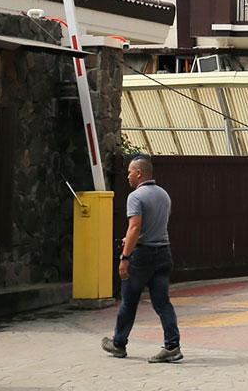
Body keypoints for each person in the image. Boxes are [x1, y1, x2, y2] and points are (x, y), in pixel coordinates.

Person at [102, 155, 183, 363]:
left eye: (129, 172)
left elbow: (135, 228)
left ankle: (119, 344)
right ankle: (172, 346)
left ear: (139, 173)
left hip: (141, 256)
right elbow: (155, 226)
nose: (127, 176)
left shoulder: (135, 197)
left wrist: (125, 257)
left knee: (129, 302)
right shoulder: (164, 194)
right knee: (163, 302)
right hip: (164, 253)